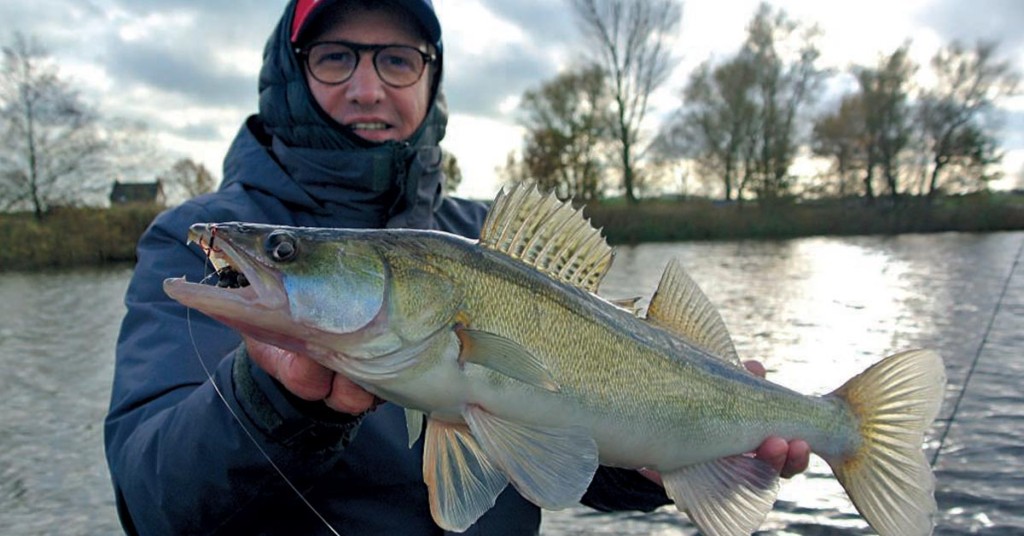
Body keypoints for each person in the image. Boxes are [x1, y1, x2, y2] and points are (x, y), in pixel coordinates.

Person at [103, 0, 810, 534]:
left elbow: (562, 445)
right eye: (335, 57)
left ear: (430, 78)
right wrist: (271, 402)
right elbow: (152, 500)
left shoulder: (482, 240)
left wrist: (653, 468)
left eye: (397, 60)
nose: (368, 88)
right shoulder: (186, 242)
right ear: (290, 73)